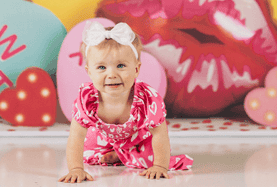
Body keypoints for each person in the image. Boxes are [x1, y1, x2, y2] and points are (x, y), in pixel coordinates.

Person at [59, 20, 193, 183]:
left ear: (136, 69)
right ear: (89, 72)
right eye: (101, 67)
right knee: (88, 150)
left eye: (121, 65)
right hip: (102, 137)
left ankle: (126, 151)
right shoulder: (87, 99)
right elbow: (76, 137)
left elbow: (159, 134)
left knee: (149, 157)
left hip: (136, 138)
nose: (112, 74)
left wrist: (160, 166)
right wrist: (76, 169)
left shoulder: (146, 98)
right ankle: (118, 151)